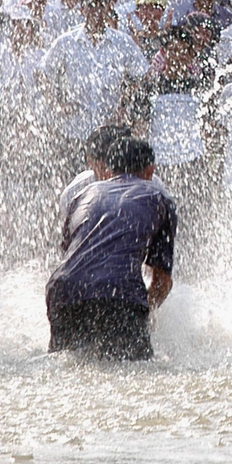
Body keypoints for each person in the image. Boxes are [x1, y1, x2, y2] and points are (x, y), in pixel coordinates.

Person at [47, 134, 177, 359]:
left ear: (108, 169)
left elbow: (71, 257)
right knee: (136, 376)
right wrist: (147, 313)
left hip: (64, 292)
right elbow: (162, 281)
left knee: (66, 369)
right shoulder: (159, 198)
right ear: (151, 170)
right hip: (120, 295)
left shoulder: (81, 194)